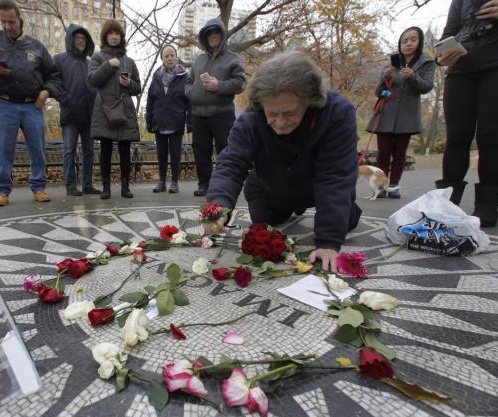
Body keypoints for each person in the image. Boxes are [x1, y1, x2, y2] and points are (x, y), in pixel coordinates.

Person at [206, 52, 362, 273]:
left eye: (290, 113)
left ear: (310, 101)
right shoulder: (250, 119)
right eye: (272, 113)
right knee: (264, 219)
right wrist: (218, 205)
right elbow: (231, 163)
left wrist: (328, 242)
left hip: (318, 185)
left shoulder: (338, 113)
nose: (279, 123)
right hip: (272, 185)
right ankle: (285, 203)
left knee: (344, 221)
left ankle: (345, 208)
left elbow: (335, 176)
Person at [435, 0, 498, 227]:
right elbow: (451, 31)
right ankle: (447, 201)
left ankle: (488, 203)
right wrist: (442, 55)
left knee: (491, 134)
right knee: (456, 135)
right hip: (462, 66)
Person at [0, 0, 61, 207]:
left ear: (20, 20)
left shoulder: (36, 46)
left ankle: (38, 187)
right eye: (3, 22)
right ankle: (1, 190)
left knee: (37, 148)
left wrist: (46, 92)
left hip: (32, 105)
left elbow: (53, 75)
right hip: (4, 103)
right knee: (3, 148)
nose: (8, 26)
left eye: (11, 22)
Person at [366, 27, 435, 199]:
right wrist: (385, 79)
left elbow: (426, 87)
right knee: (383, 152)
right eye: (404, 41)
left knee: (400, 153)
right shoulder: (390, 65)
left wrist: (412, 77)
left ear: (419, 42)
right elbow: (379, 93)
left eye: (413, 39)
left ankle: (394, 186)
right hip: (386, 114)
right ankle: (380, 186)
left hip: (408, 115)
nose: (408, 44)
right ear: (400, 44)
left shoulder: (427, 62)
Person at [185, 18, 246, 197]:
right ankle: (204, 184)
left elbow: (241, 83)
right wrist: (190, 92)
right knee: (200, 151)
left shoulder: (232, 59)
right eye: (209, 33)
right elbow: (188, 82)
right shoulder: (198, 60)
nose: (212, 36)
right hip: (198, 115)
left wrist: (219, 85)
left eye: (216, 32)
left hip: (222, 114)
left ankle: (227, 184)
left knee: (225, 151)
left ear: (222, 35)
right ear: (205, 37)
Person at [88, 19, 141, 200]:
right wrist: (109, 65)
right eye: (110, 33)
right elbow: (93, 80)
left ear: (121, 37)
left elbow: (138, 88)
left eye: (117, 33)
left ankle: (125, 187)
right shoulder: (97, 57)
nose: (114, 36)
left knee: (125, 149)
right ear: (105, 36)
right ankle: (106, 187)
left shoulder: (130, 61)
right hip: (104, 109)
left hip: (124, 109)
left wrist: (129, 84)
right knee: (106, 149)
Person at [53, 24, 100, 197]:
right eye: (77, 38)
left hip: (89, 115)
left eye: (83, 39)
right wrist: (65, 99)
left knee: (89, 151)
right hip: (70, 115)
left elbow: (96, 86)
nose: (80, 41)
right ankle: (70, 185)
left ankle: (87, 184)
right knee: (69, 150)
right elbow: (53, 82)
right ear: (70, 39)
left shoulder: (90, 63)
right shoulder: (59, 59)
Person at [145, 45, 189, 194]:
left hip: (176, 121)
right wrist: (149, 120)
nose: (169, 58)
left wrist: (189, 122)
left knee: (175, 154)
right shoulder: (156, 76)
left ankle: (174, 182)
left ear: (176, 57)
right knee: (161, 154)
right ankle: (161, 182)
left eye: (172, 55)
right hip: (159, 121)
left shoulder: (184, 76)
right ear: (162, 59)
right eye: (166, 56)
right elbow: (150, 100)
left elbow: (188, 101)